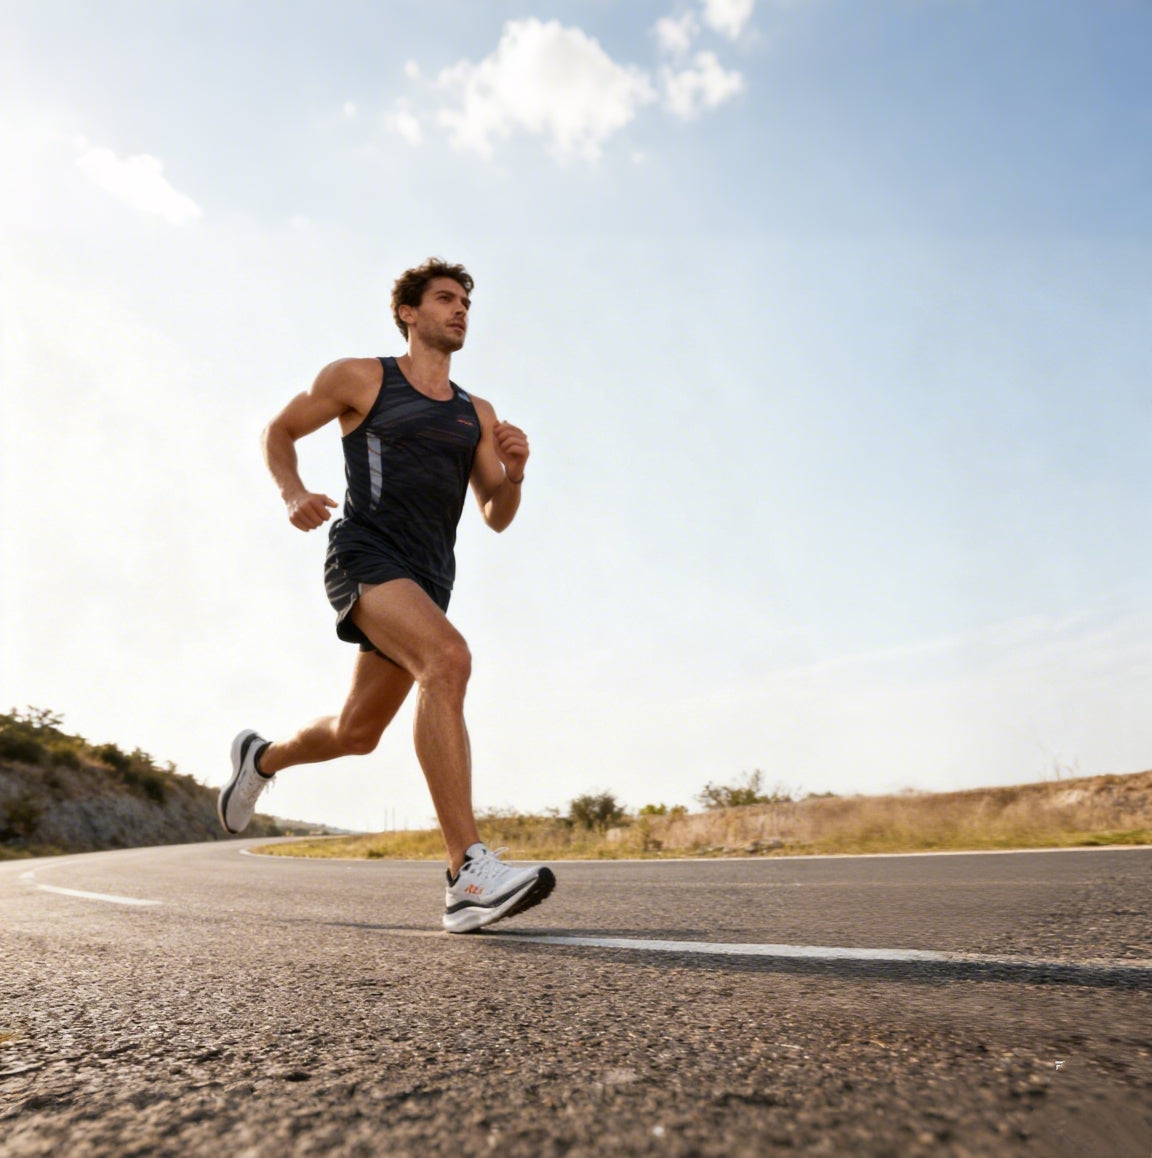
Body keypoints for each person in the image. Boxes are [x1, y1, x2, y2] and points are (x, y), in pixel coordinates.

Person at [218, 257, 555, 933]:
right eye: (445, 298)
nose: (460, 310)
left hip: (429, 578)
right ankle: (468, 874)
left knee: (357, 733)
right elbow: (279, 430)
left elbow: (495, 512)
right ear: (409, 312)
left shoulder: (475, 413)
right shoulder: (362, 378)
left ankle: (262, 758)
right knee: (449, 661)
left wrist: (513, 473)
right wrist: (292, 491)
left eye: (465, 302)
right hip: (366, 554)